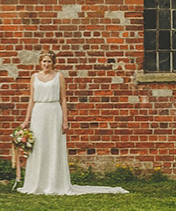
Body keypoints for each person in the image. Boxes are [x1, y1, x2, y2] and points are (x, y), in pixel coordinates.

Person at [18, 52, 128, 196]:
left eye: (49, 61)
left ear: (53, 63)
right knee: (39, 147)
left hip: (53, 111)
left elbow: (63, 99)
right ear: (40, 62)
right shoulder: (34, 77)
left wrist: (65, 120)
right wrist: (27, 120)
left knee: (53, 146)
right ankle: (37, 183)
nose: (46, 64)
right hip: (39, 112)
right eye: (44, 61)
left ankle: (54, 183)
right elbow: (31, 100)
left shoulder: (59, 77)